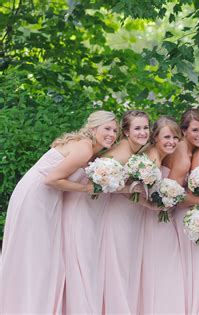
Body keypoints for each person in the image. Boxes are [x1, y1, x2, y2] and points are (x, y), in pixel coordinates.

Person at [0, 110, 118, 313]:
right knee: (34, 253)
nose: (112, 134)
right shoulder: (85, 148)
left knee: (41, 253)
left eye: (115, 130)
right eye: (107, 128)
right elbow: (51, 179)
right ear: (93, 128)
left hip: (45, 197)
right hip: (37, 196)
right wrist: (86, 189)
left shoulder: (89, 150)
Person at [164, 108, 199, 314]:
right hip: (183, 214)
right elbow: (173, 195)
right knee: (198, 266)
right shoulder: (182, 155)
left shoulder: (191, 151)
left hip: (189, 210)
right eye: (195, 130)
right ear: (184, 131)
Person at [102, 110, 150, 313]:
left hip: (129, 212)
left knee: (126, 264)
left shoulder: (136, 152)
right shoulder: (122, 152)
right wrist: (131, 189)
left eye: (145, 127)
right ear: (126, 132)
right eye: (137, 128)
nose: (142, 132)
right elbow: (102, 181)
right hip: (117, 214)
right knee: (118, 265)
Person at [140, 116, 187, 314]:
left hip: (162, 219)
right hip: (150, 220)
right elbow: (131, 191)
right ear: (155, 138)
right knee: (160, 266)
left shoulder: (163, 156)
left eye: (176, 137)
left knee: (167, 266)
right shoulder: (150, 158)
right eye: (167, 137)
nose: (172, 141)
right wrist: (152, 206)